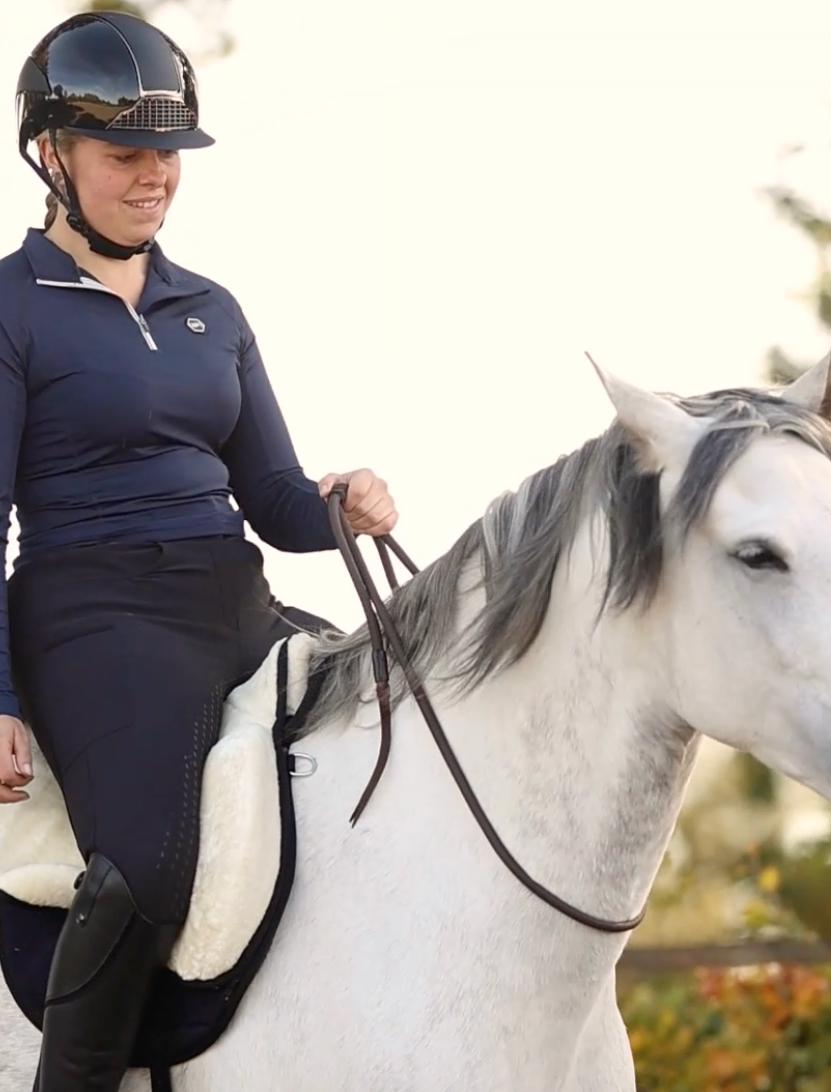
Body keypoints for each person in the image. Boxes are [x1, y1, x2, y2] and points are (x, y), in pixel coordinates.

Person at [0, 11, 398, 1090]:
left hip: (237, 596)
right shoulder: (10, 307)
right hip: (96, 615)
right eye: (126, 154)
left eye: (167, 155)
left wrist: (340, 502)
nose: (155, 177)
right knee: (152, 865)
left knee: (401, 727)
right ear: (54, 155)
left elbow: (272, 497)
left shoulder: (209, 309)